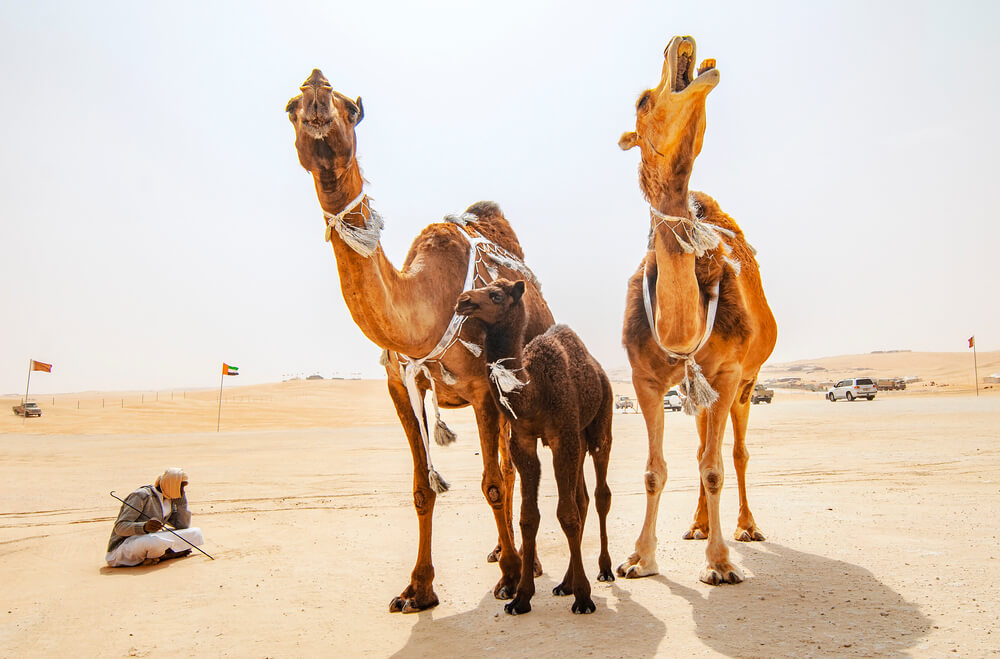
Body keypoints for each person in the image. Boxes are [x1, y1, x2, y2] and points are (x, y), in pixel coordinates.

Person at [105, 468, 205, 567]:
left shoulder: (170, 498)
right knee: (154, 542)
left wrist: (181, 503)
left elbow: (182, 525)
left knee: (196, 533)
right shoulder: (141, 495)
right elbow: (120, 528)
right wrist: (144, 527)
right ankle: (165, 554)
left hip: (151, 538)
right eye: (180, 487)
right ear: (171, 484)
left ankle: (159, 555)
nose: (182, 491)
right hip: (123, 547)